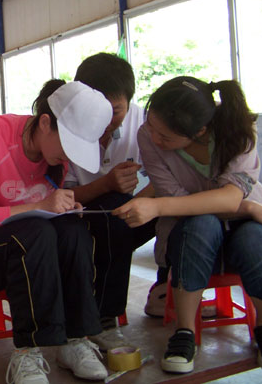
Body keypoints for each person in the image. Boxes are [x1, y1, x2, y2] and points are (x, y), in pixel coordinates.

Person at [0, 80, 114, 384]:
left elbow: (42, 215)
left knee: (72, 229)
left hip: (18, 253)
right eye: (68, 146)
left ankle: (74, 340)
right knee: (33, 233)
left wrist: (60, 208)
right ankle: (27, 351)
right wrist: (39, 205)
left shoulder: (54, 159)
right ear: (45, 123)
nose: (68, 158)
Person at [112, 76, 262, 378]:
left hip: (244, 222)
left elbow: (229, 197)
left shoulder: (239, 132)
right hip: (192, 224)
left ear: (200, 131)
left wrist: (156, 207)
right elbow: (175, 196)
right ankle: (184, 331)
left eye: (165, 136)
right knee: (200, 225)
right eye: (151, 126)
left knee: (257, 239)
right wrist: (249, 206)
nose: (153, 138)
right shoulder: (148, 135)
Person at [64, 53, 158, 351]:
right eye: (97, 110)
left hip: (124, 216)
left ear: (130, 101)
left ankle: (167, 288)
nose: (106, 120)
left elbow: (166, 180)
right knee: (112, 217)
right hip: (79, 216)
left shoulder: (145, 123)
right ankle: (105, 317)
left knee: (175, 214)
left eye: (115, 110)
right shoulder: (65, 126)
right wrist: (106, 185)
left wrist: (139, 204)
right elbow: (60, 198)